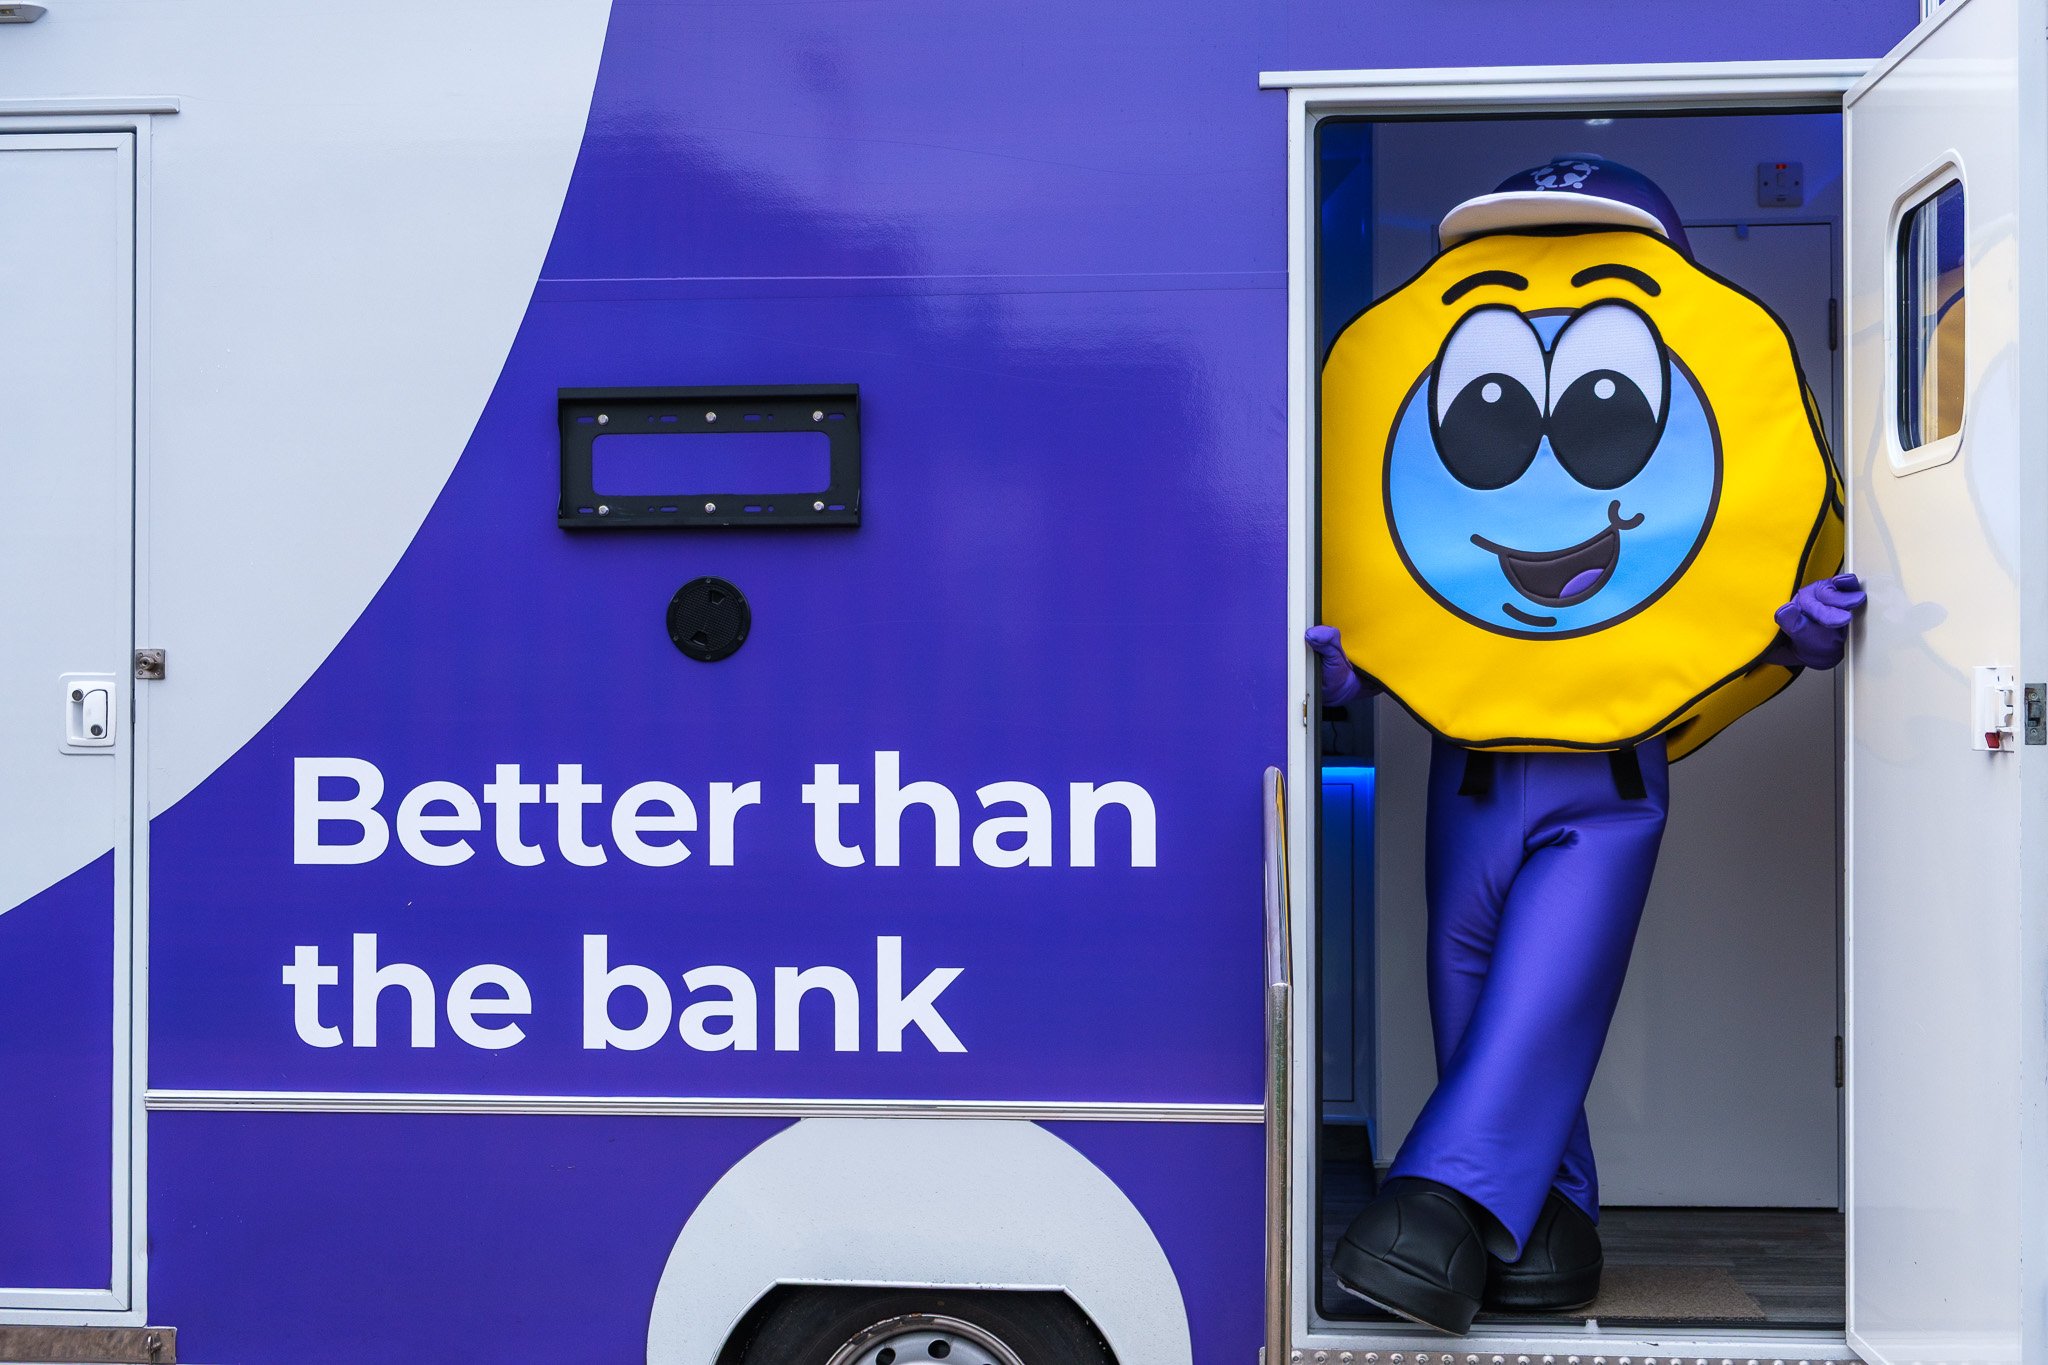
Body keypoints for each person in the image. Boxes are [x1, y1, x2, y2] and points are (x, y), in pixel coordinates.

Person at [1310, 156, 1865, 1334]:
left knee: (1534, 1001)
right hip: (1462, 768)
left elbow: (1723, 621)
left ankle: (1427, 1209)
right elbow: (1389, 562)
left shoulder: (1722, 402)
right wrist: (1348, 667)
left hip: (1606, 781)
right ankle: (1551, 1226)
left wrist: (1782, 650)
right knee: (1472, 1007)